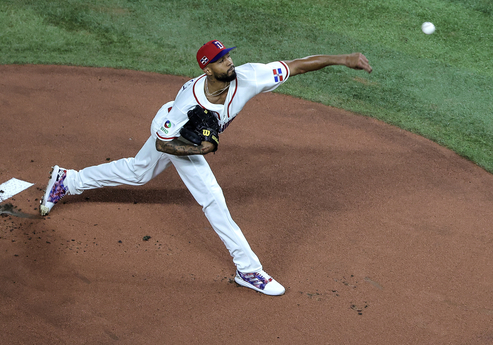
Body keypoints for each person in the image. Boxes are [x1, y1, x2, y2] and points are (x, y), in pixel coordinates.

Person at [40, 40, 372, 296]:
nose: (230, 61)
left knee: (138, 172)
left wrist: (343, 60)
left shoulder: (250, 76)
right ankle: (248, 269)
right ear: (207, 69)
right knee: (212, 197)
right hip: (172, 130)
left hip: (184, 135)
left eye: (228, 56)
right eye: (222, 60)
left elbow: (296, 66)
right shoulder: (189, 104)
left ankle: (68, 180)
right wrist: (200, 147)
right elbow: (163, 144)